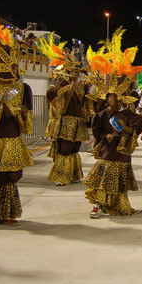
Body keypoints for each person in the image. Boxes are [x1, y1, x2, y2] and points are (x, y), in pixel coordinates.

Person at [83, 27, 142, 218]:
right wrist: (106, 135)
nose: (112, 100)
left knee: (119, 183)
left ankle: (117, 206)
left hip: (123, 154)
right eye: (110, 97)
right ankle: (97, 206)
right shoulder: (101, 115)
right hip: (108, 152)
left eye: (116, 98)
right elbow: (97, 133)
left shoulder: (130, 114)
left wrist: (124, 127)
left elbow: (136, 131)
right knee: (102, 180)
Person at [0, 22, 34, 226]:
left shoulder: (22, 89)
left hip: (12, 139)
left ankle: (7, 213)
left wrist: (22, 112)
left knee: (10, 177)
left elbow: (26, 114)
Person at [38, 35, 91, 186]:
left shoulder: (82, 84)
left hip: (78, 121)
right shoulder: (61, 81)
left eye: (77, 70)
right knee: (65, 149)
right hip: (66, 120)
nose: (76, 72)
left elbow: (86, 102)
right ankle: (60, 176)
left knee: (74, 149)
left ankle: (73, 174)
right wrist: (72, 84)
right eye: (73, 70)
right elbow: (63, 100)